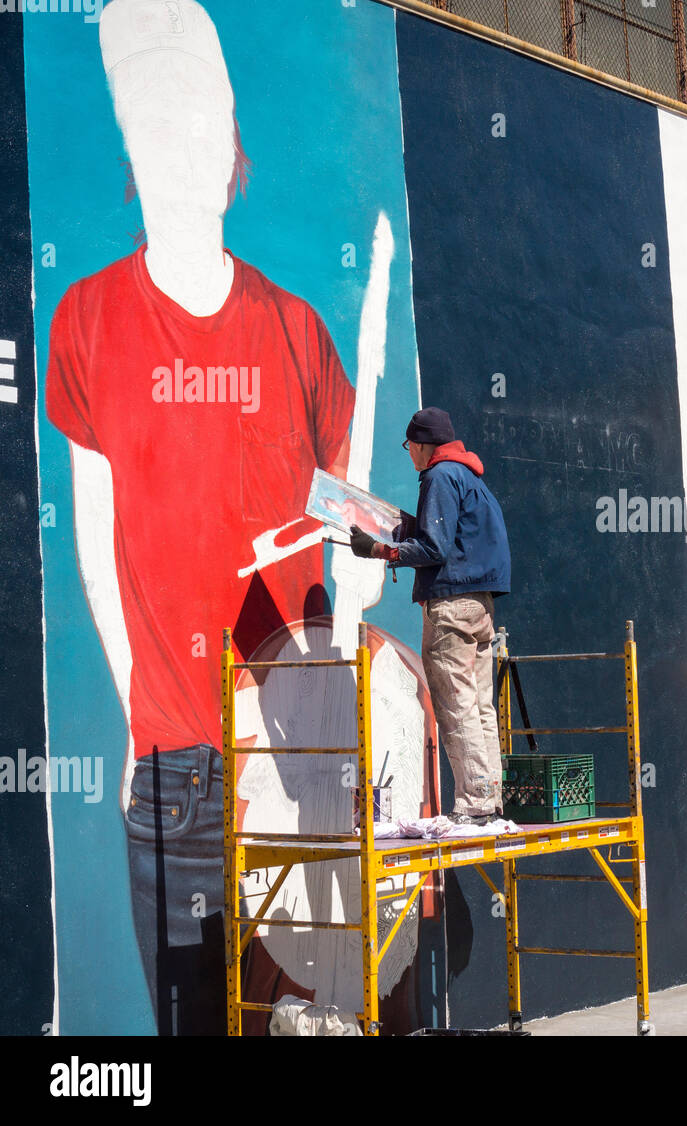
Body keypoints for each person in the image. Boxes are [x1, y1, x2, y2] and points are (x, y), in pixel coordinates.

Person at [44, 0, 361, 1034]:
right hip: (215, 761)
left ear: (231, 142)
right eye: (155, 117)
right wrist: (149, 716)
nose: (181, 140)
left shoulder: (295, 329)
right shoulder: (90, 320)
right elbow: (97, 544)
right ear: (135, 147)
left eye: (196, 114)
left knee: (272, 1018)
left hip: (279, 759)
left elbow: (343, 534)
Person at [350, 408, 511, 826]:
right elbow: (454, 540)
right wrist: (410, 530)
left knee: (456, 706)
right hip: (480, 606)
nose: (410, 456)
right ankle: (490, 798)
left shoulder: (439, 477)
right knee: (480, 706)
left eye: (409, 447)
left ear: (422, 445)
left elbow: (435, 549)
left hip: (451, 607)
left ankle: (474, 804)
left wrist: (380, 550)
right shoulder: (471, 479)